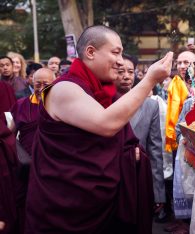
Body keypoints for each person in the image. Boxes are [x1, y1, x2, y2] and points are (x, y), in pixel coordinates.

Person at [25, 25, 173, 234]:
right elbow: (106, 125)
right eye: (116, 52)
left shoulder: (101, 91)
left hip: (100, 204)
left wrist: (130, 154)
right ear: (91, 52)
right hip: (65, 207)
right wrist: (149, 79)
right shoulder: (62, 89)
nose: (121, 61)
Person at [114, 53, 167, 221]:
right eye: (121, 71)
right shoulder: (103, 102)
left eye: (130, 71)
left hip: (138, 177)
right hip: (110, 177)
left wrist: (158, 192)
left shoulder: (150, 105)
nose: (126, 76)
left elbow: (155, 151)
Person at [11, 68, 56, 155]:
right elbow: (11, 133)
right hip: (27, 156)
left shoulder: (60, 104)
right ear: (33, 84)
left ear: (54, 84)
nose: (41, 89)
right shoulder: (21, 104)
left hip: (53, 157)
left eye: (46, 85)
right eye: (38, 85)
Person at [165, 51, 195, 153]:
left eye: (186, 62)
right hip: (178, 135)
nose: (182, 66)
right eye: (179, 63)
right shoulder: (174, 84)